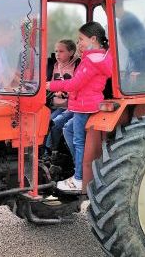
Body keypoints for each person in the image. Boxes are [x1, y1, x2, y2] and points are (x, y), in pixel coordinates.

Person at [47, 22, 112, 192]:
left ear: (93, 39)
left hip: (85, 106)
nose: (79, 43)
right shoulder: (94, 57)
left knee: (78, 140)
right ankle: (80, 167)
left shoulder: (91, 60)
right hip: (83, 103)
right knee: (67, 129)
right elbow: (83, 84)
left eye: (81, 39)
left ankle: (79, 177)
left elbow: (75, 83)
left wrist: (49, 85)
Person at [44, 39, 80, 159]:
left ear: (71, 52)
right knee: (42, 121)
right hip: (52, 103)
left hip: (67, 106)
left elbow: (77, 85)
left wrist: (65, 93)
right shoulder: (51, 65)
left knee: (52, 122)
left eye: (61, 51)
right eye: (56, 51)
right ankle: (44, 151)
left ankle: (51, 152)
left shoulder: (77, 66)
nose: (58, 54)